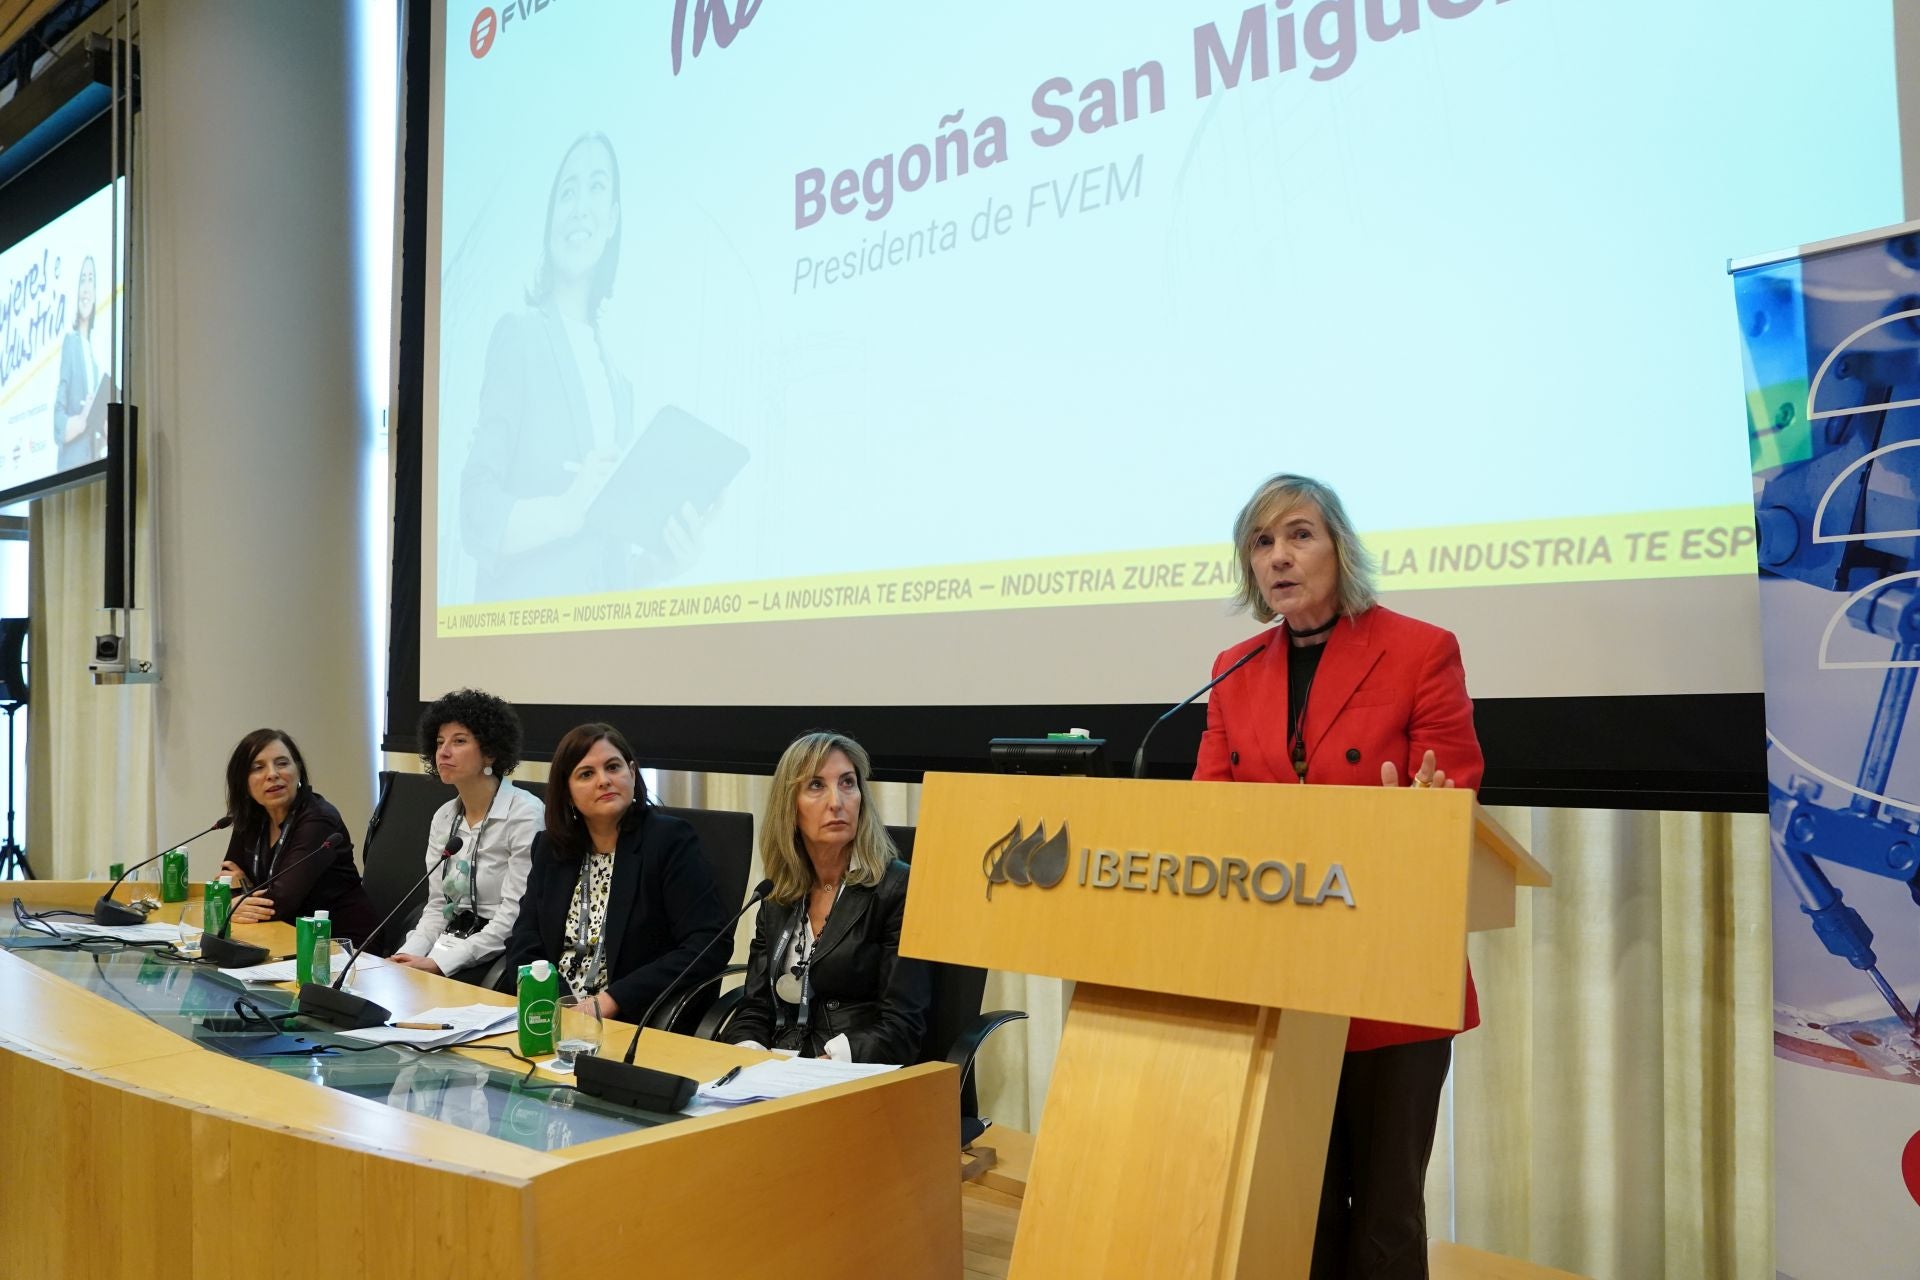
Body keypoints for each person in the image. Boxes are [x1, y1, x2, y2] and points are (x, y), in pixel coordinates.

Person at [1193, 473, 1483, 1280]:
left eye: (1299, 534)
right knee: (1300, 1207)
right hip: (1283, 978)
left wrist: (1429, 809)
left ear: (1339, 547)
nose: (1279, 556)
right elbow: (1208, 810)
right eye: (1261, 542)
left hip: (1390, 975)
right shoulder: (1232, 668)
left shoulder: (1421, 649)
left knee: (1387, 1216)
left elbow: (1453, 782)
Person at [459, 132, 699, 602]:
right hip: (519, 656)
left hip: (597, 661)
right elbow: (475, 511)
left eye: (595, 188)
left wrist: (660, 565)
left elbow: (604, 570)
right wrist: (565, 509)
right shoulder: (519, 336)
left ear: (612, 220)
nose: (579, 208)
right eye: (566, 192)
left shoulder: (619, 386)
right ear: (550, 219)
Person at [496, 723, 729, 1020]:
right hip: (554, 1013)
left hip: (633, 1017)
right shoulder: (551, 848)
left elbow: (708, 943)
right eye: (586, 774)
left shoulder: (669, 841)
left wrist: (614, 999)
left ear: (632, 773)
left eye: (613, 767)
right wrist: (558, 1003)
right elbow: (525, 939)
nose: (604, 781)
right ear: (567, 791)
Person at [724, 731, 930, 1064]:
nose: (837, 801)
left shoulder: (896, 888)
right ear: (789, 807)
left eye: (848, 783)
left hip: (854, 1075)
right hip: (780, 1070)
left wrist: (824, 1066)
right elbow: (755, 1006)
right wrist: (749, 1058)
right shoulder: (778, 893)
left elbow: (902, 1028)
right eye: (816, 786)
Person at [389, 689, 543, 984]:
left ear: (490, 752)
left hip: (501, 953)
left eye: (459, 741)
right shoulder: (444, 817)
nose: (443, 752)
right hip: (450, 942)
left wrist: (439, 963)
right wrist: (405, 958)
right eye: (439, 742)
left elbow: (514, 916)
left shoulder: (524, 814)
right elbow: (437, 906)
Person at [220, 729, 381, 947]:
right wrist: (239, 895)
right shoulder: (252, 818)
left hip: (341, 947)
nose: (273, 774)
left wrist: (243, 896)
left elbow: (281, 902)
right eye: (258, 768)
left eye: (282, 763)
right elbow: (229, 878)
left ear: (298, 770)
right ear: (244, 782)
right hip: (283, 939)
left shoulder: (319, 820)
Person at [52, 254, 104, 471]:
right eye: (83, 279)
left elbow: (92, 433)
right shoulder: (70, 343)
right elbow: (58, 422)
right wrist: (85, 416)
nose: (86, 287)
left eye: (91, 280)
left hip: (91, 468)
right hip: (70, 469)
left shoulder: (93, 360)